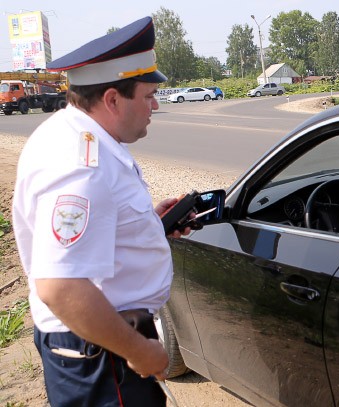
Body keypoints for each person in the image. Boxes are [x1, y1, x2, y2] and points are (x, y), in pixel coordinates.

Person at [12, 16, 189, 406]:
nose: (155, 106)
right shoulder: (82, 168)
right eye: (147, 96)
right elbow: (61, 287)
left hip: (101, 344)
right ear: (111, 99)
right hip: (104, 355)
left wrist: (147, 226)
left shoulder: (80, 134)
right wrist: (140, 352)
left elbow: (93, 232)